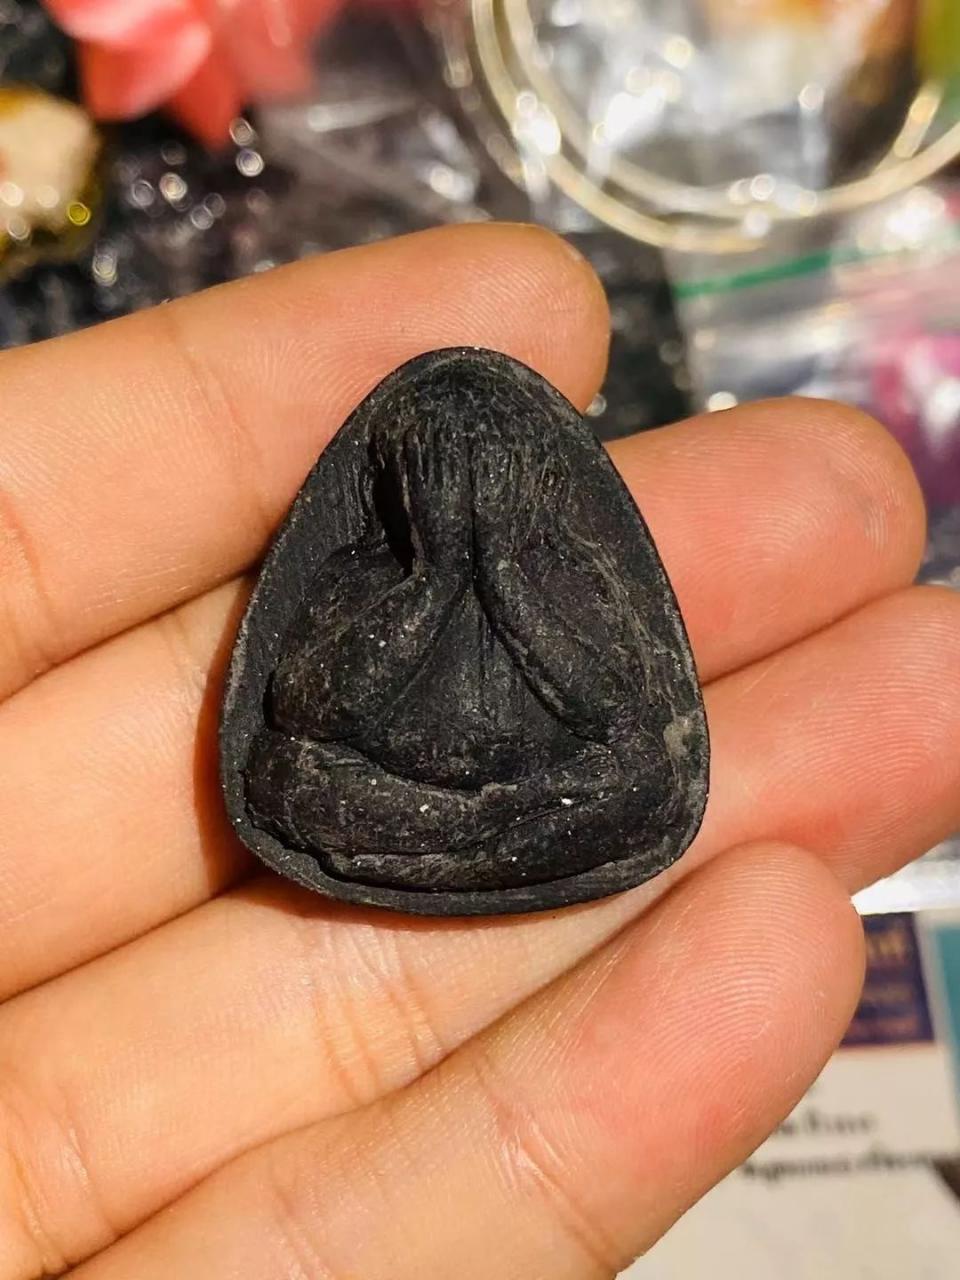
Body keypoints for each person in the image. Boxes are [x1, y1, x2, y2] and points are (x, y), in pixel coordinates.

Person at [0, 223, 955, 1279]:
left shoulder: (566, 574)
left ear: (523, 482)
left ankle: (471, 836)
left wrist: (499, 572)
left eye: (480, 477)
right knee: (284, 776)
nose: (453, 496)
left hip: (542, 797)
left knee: (642, 777)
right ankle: (466, 836)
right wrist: (428, 579)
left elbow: (627, 725)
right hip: (384, 796)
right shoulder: (371, 573)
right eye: (434, 476)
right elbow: (307, 718)